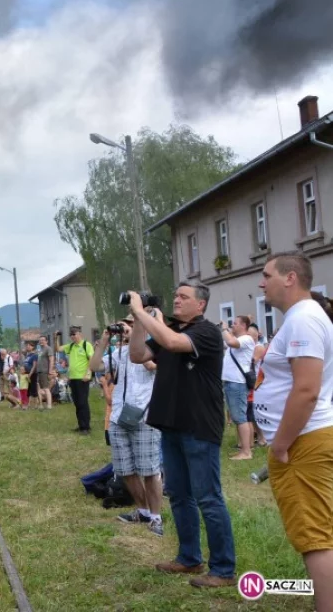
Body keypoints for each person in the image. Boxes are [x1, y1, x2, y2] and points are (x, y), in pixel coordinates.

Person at [128, 282, 237, 588]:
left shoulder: (206, 332)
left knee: (208, 497)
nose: (176, 300)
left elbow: (175, 343)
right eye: (174, 295)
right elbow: (138, 354)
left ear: (200, 305)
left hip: (199, 426)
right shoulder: (170, 330)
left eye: (183, 297)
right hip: (171, 424)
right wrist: (139, 320)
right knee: (178, 493)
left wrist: (141, 310)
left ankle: (224, 570)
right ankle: (189, 558)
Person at [256, 252, 333, 611]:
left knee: (315, 536)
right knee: (320, 529)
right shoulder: (302, 318)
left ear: (290, 278)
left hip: (303, 442)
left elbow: (306, 390)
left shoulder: (303, 320)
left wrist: (282, 445)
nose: (261, 282)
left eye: (266, 274)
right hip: (307, 438)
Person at [89, 320, 163, 535]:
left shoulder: (153, 349)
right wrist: (103, 341)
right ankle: (142, 510)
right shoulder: (119, 353)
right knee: (125, 470)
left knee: (150, 470)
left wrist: (136, 339)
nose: (125, 329)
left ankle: (156, 517)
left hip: (144, 415)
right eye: (123, 326)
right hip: (118, 416)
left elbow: (152, 366)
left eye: (130, 325)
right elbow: (94, 367)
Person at [221, 315, 256, 461]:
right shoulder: (238, 341)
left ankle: (246, 452)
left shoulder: (246, 339)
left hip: (237, 383)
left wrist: (223, 328)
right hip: (231, 382)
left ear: (243, 326)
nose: (232, 326)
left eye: (235, 323)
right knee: (238, 417)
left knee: (240, 417)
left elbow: (230, 341)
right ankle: (244, 448)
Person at [58, 327, 96, 435]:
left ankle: (86, 427)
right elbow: (58, 349)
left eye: (75, 334)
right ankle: (81, 425)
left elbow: (91, 359)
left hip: (82, 378)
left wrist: (88, 373)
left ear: (80, 334)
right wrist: (57, 337)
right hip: (73, 378)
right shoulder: (71, 346)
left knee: (83, 402)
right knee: (77, 402)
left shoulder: (86, 345)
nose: (73, 336)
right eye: (71, 335)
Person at [34, 336, 54, 410]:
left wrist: (50, 371)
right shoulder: (39, 350)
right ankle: (41, 405)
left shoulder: (48, 349)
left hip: (45, 371)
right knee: (39, 388)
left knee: (46, 388)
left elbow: (51, 360)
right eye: (40, 340)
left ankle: (49, 405)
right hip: (39, 371)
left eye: (43, 340)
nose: (41, 341)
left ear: (46, 341)